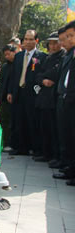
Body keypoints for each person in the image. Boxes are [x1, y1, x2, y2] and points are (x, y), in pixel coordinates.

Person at [7, 30, 47, 156]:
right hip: (18, 92)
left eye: (31, 39)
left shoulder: (42, 57)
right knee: (19, 120)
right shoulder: (18, 56)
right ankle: (20, 147)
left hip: (33, 93)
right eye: (26, 39)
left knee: (32, 120)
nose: (28, 42)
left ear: (36, 41)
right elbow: (13, 76)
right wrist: (10, 92)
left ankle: (35, 148)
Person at [33, 32, 65, 163]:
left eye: (55, 42)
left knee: (54, 129)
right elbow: (38, 74)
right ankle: (45, 153)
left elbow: (55, 73)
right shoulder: (47, 58)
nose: (53, 46)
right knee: (44, 127)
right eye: (50, 43)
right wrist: (43, 80)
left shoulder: (63, 57)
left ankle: (55, 155)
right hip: (43, 98)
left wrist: (46, 77)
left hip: (54, 98)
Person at [52, 21, 75, 185]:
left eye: (70, 36)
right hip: (64, 98)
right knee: (65, 135)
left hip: (72, 100)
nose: (67, 40)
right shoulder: (69, 55)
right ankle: (68, 167)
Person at [0, 44, 16, 152]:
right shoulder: (5, 66)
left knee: (12, 121)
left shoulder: (17, 65)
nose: (7, 56)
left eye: (8, 54)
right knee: (3, 120)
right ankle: (4, 142)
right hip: (3, 97)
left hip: (13, 97)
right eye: (5, 55)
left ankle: (12, 143)